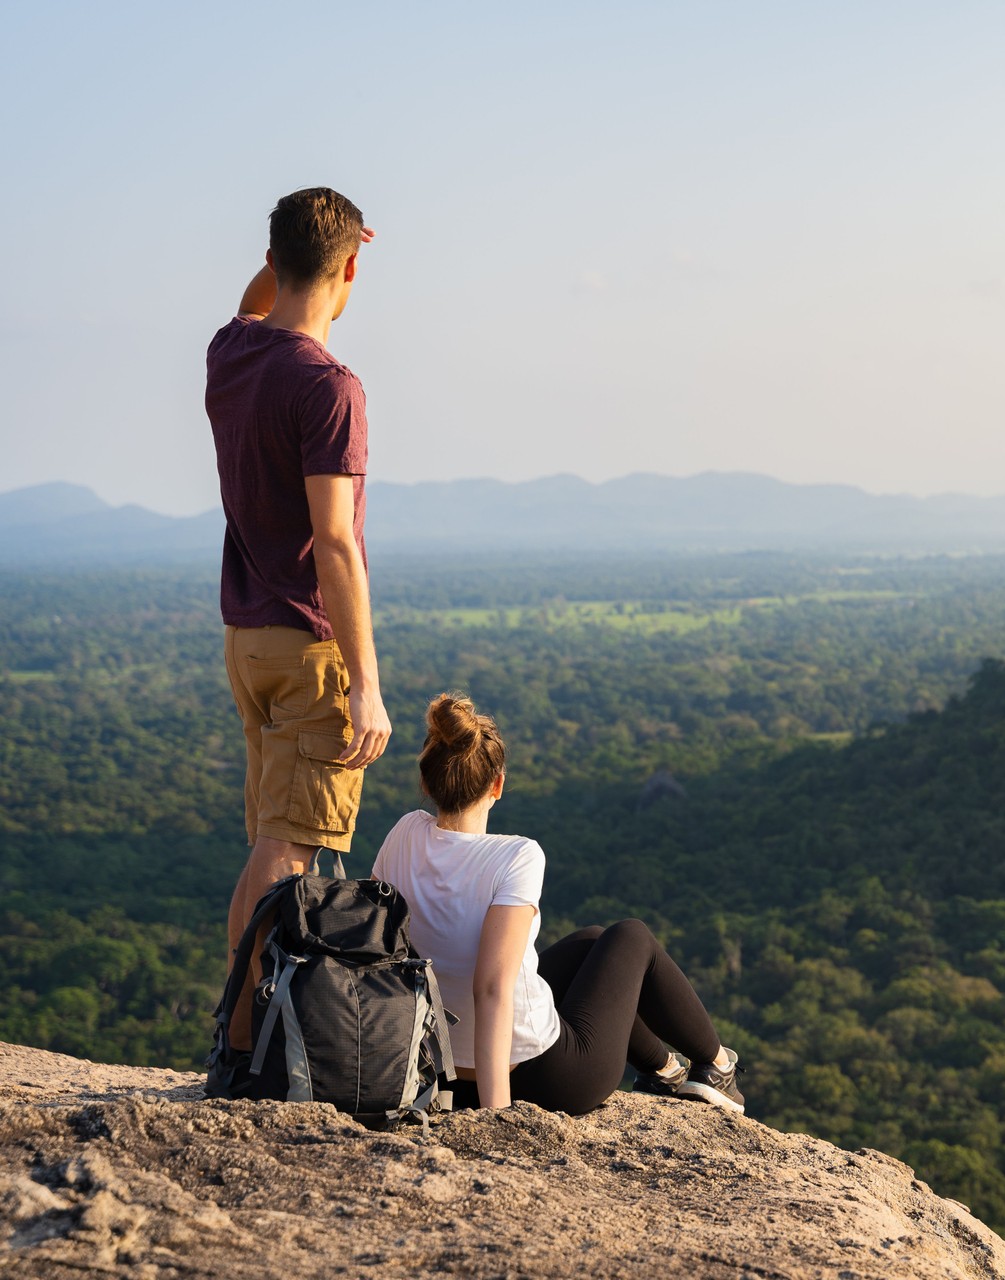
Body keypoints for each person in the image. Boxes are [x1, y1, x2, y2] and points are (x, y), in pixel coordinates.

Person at [207, 187, 391, 1047]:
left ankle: (245, 1036)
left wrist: (305, 251)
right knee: (285, 852)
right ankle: (240, 1048)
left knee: (272, 843)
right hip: (308, 643)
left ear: (274, 258)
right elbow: (335, 543)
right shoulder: (330, 387)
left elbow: (258, 300)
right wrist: (367, 685)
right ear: (352, 267)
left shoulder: (232, 352)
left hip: (248, 641)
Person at [372, 693, 745, 1116]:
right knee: (630, 936)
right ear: (497, 784)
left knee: (592, 943)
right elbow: (491, 988)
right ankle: (717, 1065)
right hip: (545, 1078)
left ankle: (663, 1071)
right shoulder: (515, 857)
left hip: (437, 1066)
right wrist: (498, 1115)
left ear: (427, 782)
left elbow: (380, 948)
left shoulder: (402, 834)